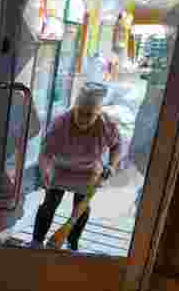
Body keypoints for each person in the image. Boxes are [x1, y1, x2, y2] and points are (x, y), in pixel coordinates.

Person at [32, 82, 122, 251]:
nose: (83, 119)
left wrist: (112, 165)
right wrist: (44, 171)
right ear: (75, 108)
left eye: (89, 115)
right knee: (49, 203)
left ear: (98, 112)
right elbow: (46, 153)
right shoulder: (61, 123)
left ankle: (72, 242)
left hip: (89, 170)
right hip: (61, 167)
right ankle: (36, 241)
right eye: (80, 113)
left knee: (81, 209)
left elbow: (117, 146)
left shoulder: (106, 125)